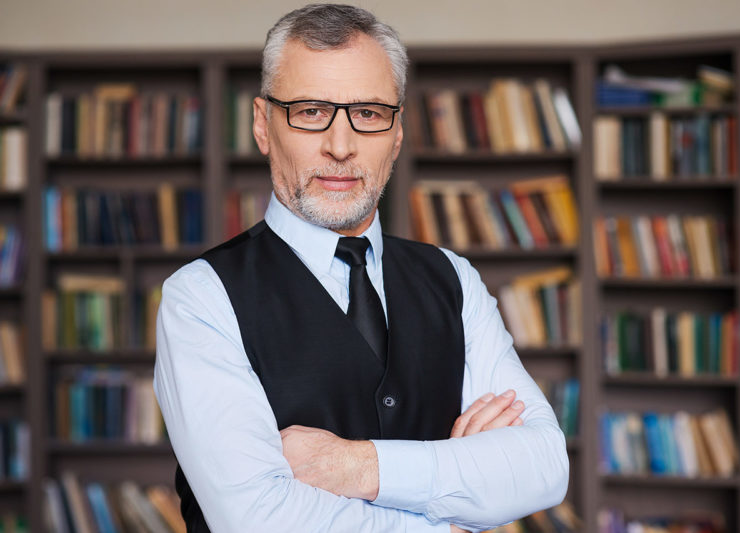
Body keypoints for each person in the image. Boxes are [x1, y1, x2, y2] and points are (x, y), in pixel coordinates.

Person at [154, 4, 569, 532]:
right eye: (309, 111)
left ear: (396, 134)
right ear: (263, 125)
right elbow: (255, 518)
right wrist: (458, 504)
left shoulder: (453, 279)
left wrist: (354, 466)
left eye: (368, 113)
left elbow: (544, 467)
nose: (341, 146)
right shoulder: (201, 297)